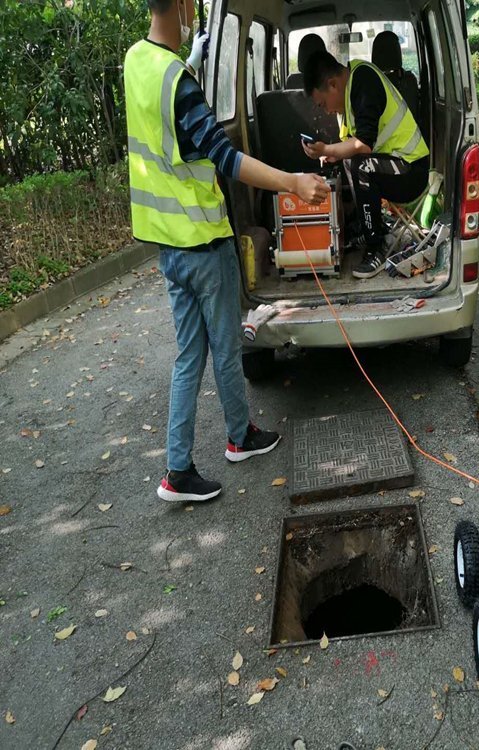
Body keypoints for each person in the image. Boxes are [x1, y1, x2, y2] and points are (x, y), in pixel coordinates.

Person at [124, 0, 328, 503]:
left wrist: (190, 58)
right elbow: (225, 155)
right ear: (183, 4)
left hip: (167, 247)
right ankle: (239, 438)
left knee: (189, 355)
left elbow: (168, 115)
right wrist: (293, 182)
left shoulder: (136, 61)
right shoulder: (180, 81)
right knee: (226, 347)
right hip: (203, 242)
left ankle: (177, 471)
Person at [302, 51, 429, 279]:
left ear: (332, 85)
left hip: (412, 170)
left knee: (362, 165)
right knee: (352, 162)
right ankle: (368, 225)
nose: (326, 111)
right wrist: (331, 154)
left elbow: (363, 145)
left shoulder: (364, 81)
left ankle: (376, 246)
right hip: (394, 166)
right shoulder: (348, 97)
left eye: (322, 104)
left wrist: (328, 149)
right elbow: (350, 146)